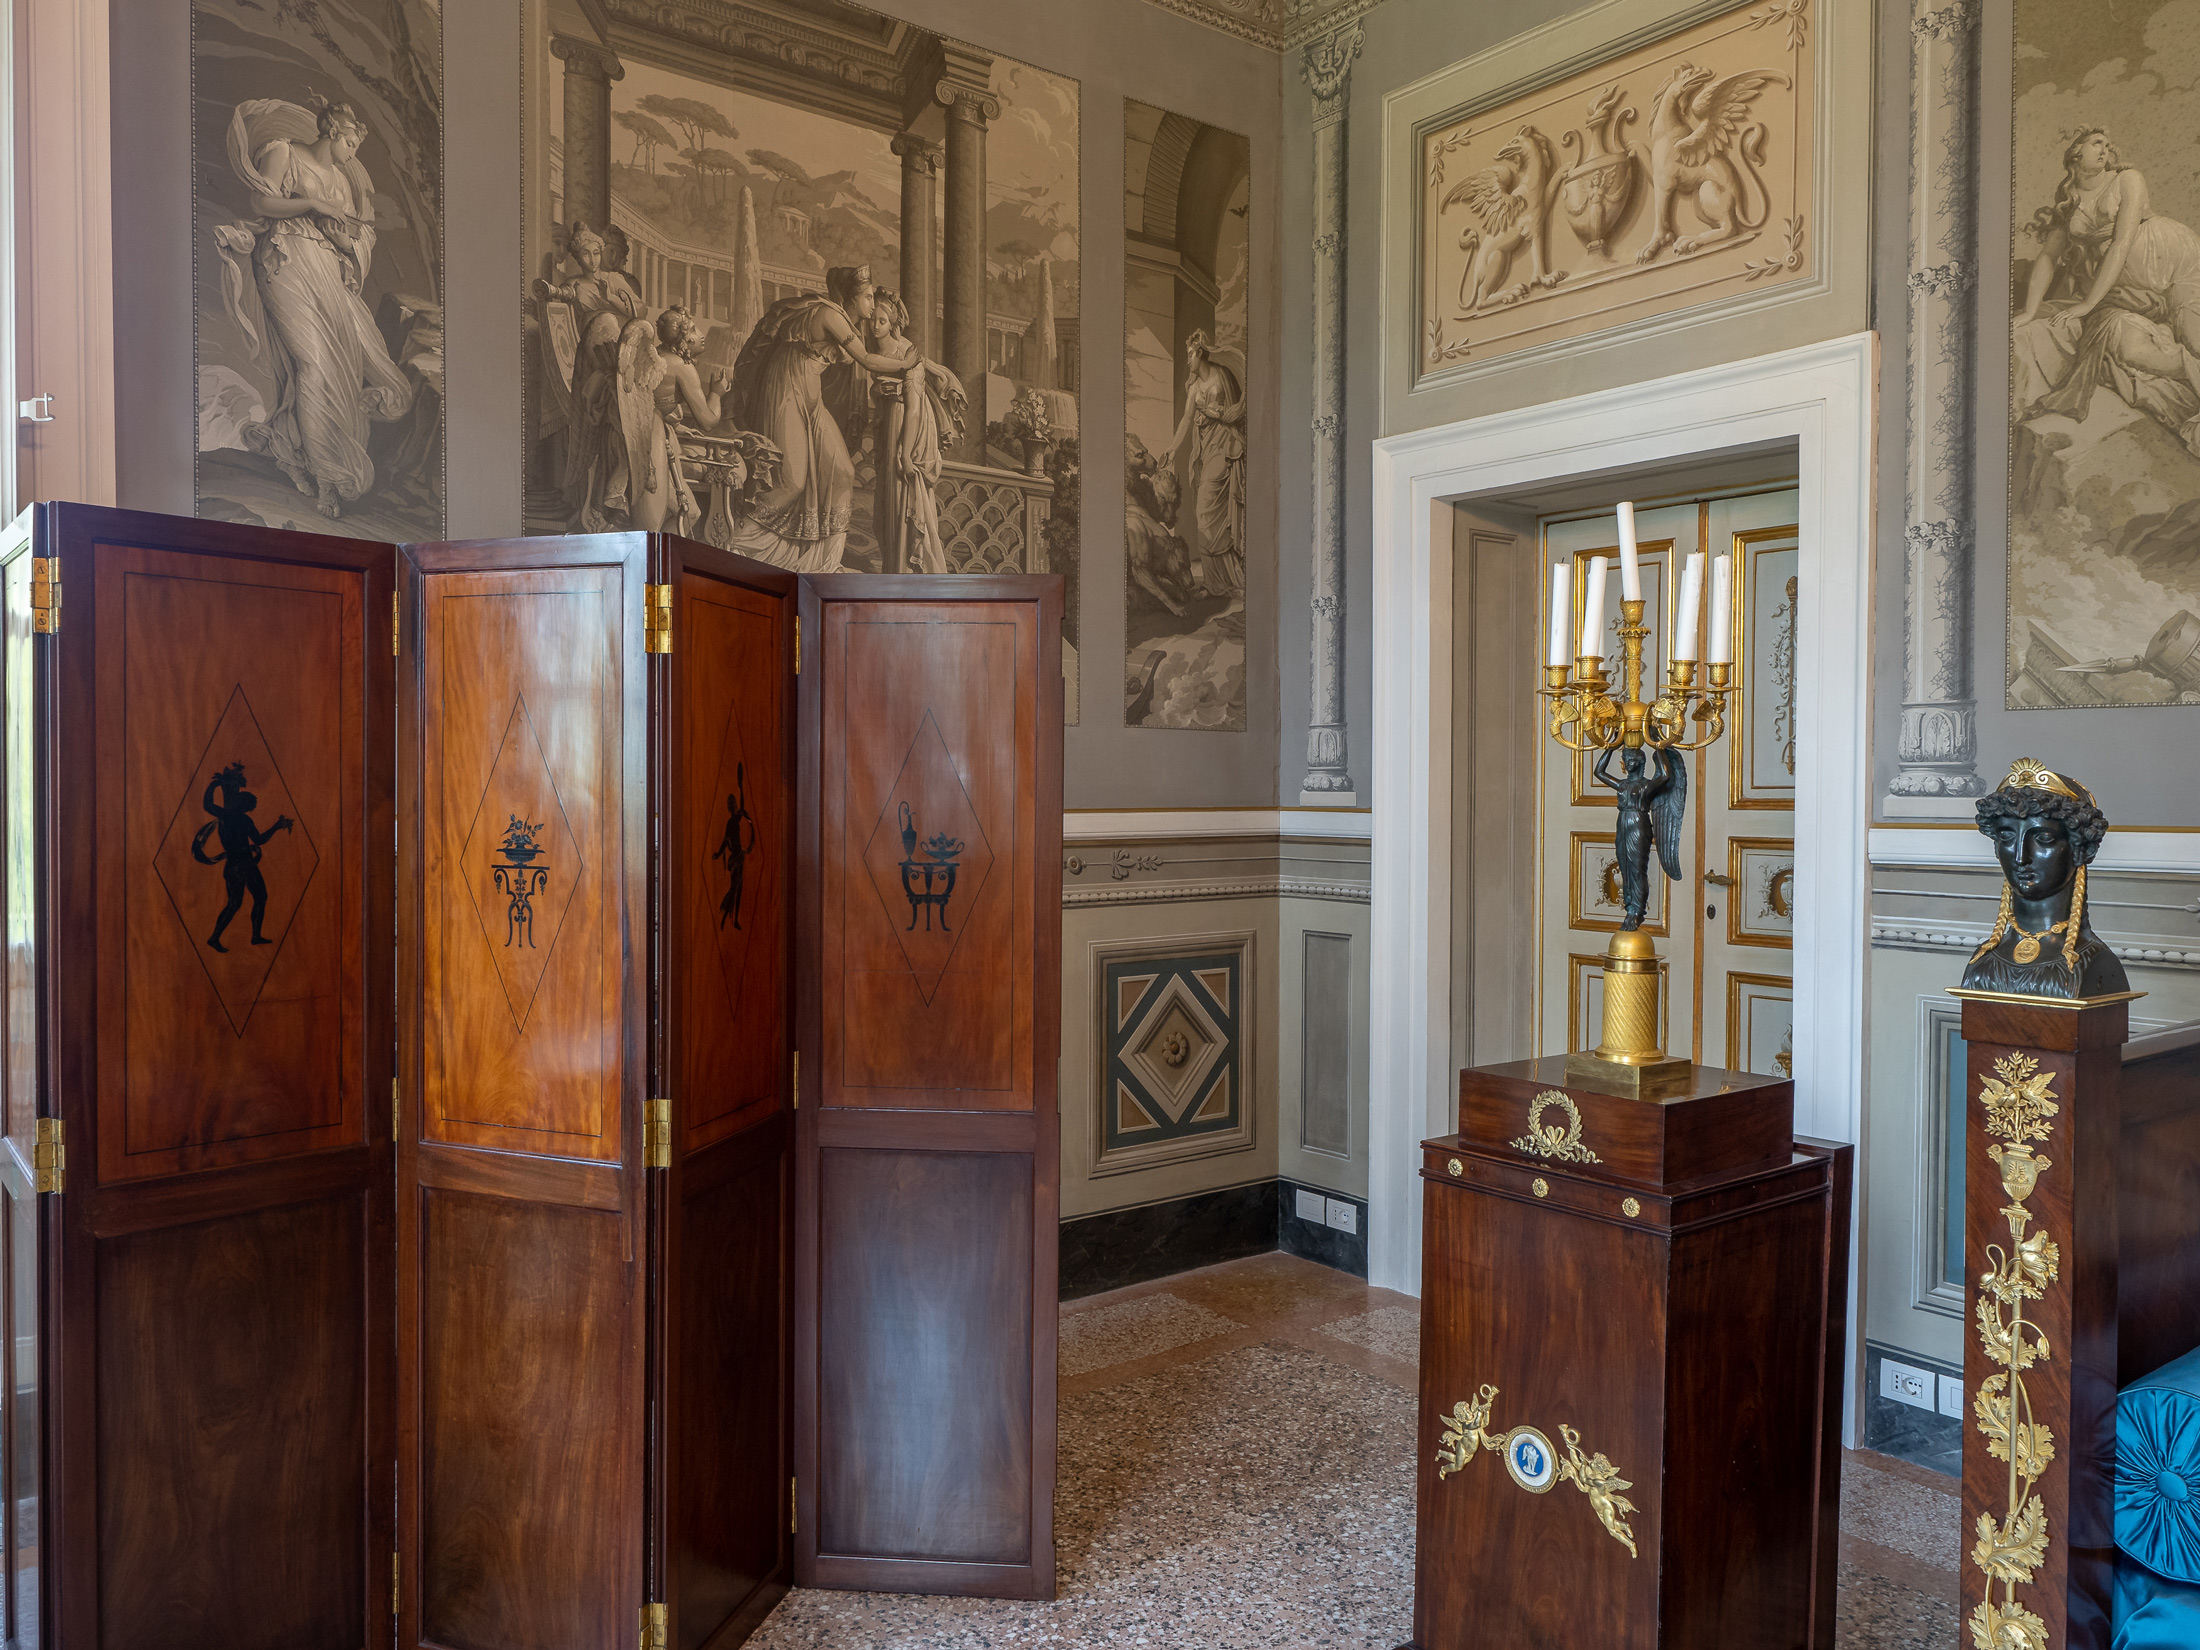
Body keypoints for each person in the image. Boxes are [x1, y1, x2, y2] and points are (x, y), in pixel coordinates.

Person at [213, 95, 416, 519]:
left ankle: (298, 450)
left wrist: (344, 240)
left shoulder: (342, 182)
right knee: (314, 365)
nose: (352, 154)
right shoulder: (284, 152)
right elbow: (261, 203)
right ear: (332, 132)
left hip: (325, 269)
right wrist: (312, 203)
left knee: (345, 368)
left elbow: (348, 238)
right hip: (284, 260)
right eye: (350, 144)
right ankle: (328, 476)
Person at [725, 265, 922, 572]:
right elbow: (867, 360)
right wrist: (906, 363)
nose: (872, 305)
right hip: (786, 393)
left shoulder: (847, 322)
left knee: (842, 471)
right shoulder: (829, 315)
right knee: (792, 483)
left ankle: (825, 562)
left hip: (811, 401)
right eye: (868, 297)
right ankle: (734, 543)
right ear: (852, 298)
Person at [2013, 127, 2200, 450]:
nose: (2105, 149)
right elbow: (2047, 257)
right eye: (2096, 143)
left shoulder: (2127, 179)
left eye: (2106, 145)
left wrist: (2088, 303)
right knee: (2131, 350)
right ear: (2075, 152)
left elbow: (2122, 242)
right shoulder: (2068, 200)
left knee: (2194, 335)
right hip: (2124, 285)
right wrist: (2030, 310)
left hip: (2174, 264)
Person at [533, 223, 650, 529]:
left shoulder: (615, 280)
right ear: (577, 257)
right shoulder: (574, 285)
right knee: (617, 402)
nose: (592, 259)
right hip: (595, 355)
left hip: (621, 352)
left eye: (596, 253)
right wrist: (552, 294)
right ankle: (614, 490)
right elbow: (562, 299)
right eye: (585, 254)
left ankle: (624, 480)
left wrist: (614, 300)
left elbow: (640, 312)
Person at [612, 305, 734, 535]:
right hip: (651, 438)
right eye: (694, 330)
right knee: (650, 526)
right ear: (683, 340)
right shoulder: (681, 367)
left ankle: (664, 550)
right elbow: (708, 421)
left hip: (659, 433)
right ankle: (653, 552)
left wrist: (680, 427)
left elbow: (658, 401)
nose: (701, 335)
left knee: (690, 513)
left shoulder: (659, 357)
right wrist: (717, 393)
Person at [867, 290, 965, 575]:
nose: (875, 326)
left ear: (892, 323)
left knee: (902, 501)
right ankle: (892, 568)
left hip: (904, 429)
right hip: (888, 425)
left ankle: (904, 572)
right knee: (884, 510)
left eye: (882, 321)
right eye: (873, 319)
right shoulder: (877, 352)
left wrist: (906, 453)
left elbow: (913, 409)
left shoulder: (906, 353)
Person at [1168, 330, 1248, 594]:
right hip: (1206, 451)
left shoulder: (1221, 375)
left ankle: (1229, 579)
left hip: (1225, 448)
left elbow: (1238, 411)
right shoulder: (1194, 388)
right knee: (1205, 516)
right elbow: (1186, 420)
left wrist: (1219, 413)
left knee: (1211, 511)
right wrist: (1172, 449)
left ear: (1200, 353)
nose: (1188, 360)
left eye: (1190, 354)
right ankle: (1215, 582)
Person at [190, 763, 294, 953]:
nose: (251, 806)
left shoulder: (244, 819)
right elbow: (207, 805)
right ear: (243, 804)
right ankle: (214, 937)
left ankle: (255, 936)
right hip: (237, 865)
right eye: (250, 803)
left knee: (260, 897)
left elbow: (259, 840)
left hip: (247, 863)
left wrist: (276, 827)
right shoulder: (227, 816)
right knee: (235, 903)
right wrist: (214, 784)